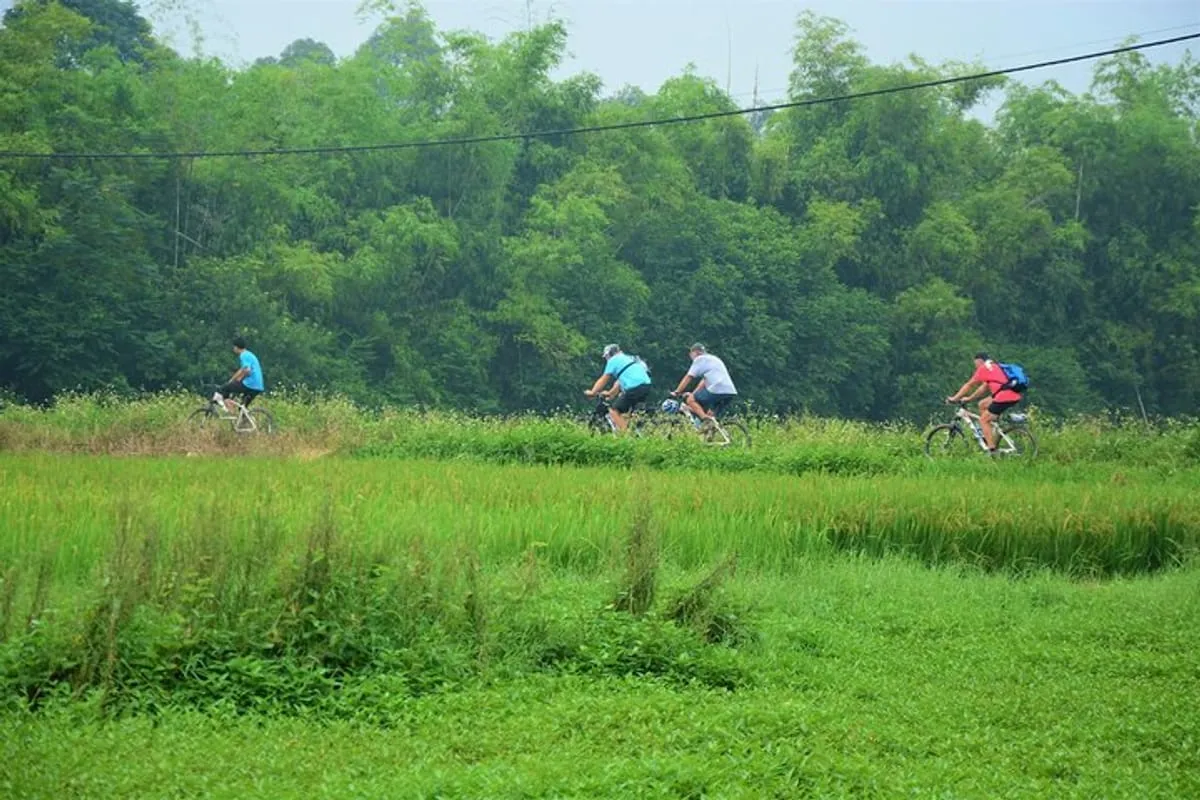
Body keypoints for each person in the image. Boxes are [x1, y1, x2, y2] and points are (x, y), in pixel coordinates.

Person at [946, 352, 1023, 453]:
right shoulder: (995, 367)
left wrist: (954, 398)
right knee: (982, 404)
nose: (976, 367)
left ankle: (992, 451)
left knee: (983, 420)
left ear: (980, 361)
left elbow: (969, 385)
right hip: (1011, 394)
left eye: (976, 364)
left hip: (1003, 397)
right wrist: (969, 399)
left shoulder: (983, 368)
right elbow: (982, 389)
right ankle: (990, 434)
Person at [584, 343, 652, 432]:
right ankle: (635, 431)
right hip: (645, 386)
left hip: (635, 387)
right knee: (627, 414)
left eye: (606, 357)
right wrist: (610, 393)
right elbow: (619, 383)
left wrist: (593, 392)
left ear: (609, 355)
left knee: (614, 411)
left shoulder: (613, 360)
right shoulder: (626, 358)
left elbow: (604, 379)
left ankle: (625, 435)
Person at [671, 343, 738, 423]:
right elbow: (703, 382)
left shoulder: (699, 359)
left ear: (695, 352)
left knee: (690, 400)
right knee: (710, 415)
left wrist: (677, 392)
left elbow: (688, 377)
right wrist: (693, 394)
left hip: (717, 389)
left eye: (690, 354)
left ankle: (704, 418)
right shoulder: (713, 359)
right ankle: (712, 428)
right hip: (729, 392)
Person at [215, 336, 265, 414]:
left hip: (250, 384)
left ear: (236, 347)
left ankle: (230, 409)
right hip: (257, 386)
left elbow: (247, 370)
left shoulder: (243, 355)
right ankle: (244, 420)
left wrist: (240, 378)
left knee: (224, 388)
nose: (233, 349)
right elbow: (242, 370)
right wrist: (233, 379)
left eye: (233, 347)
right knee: (242, 409)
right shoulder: (249, 354)